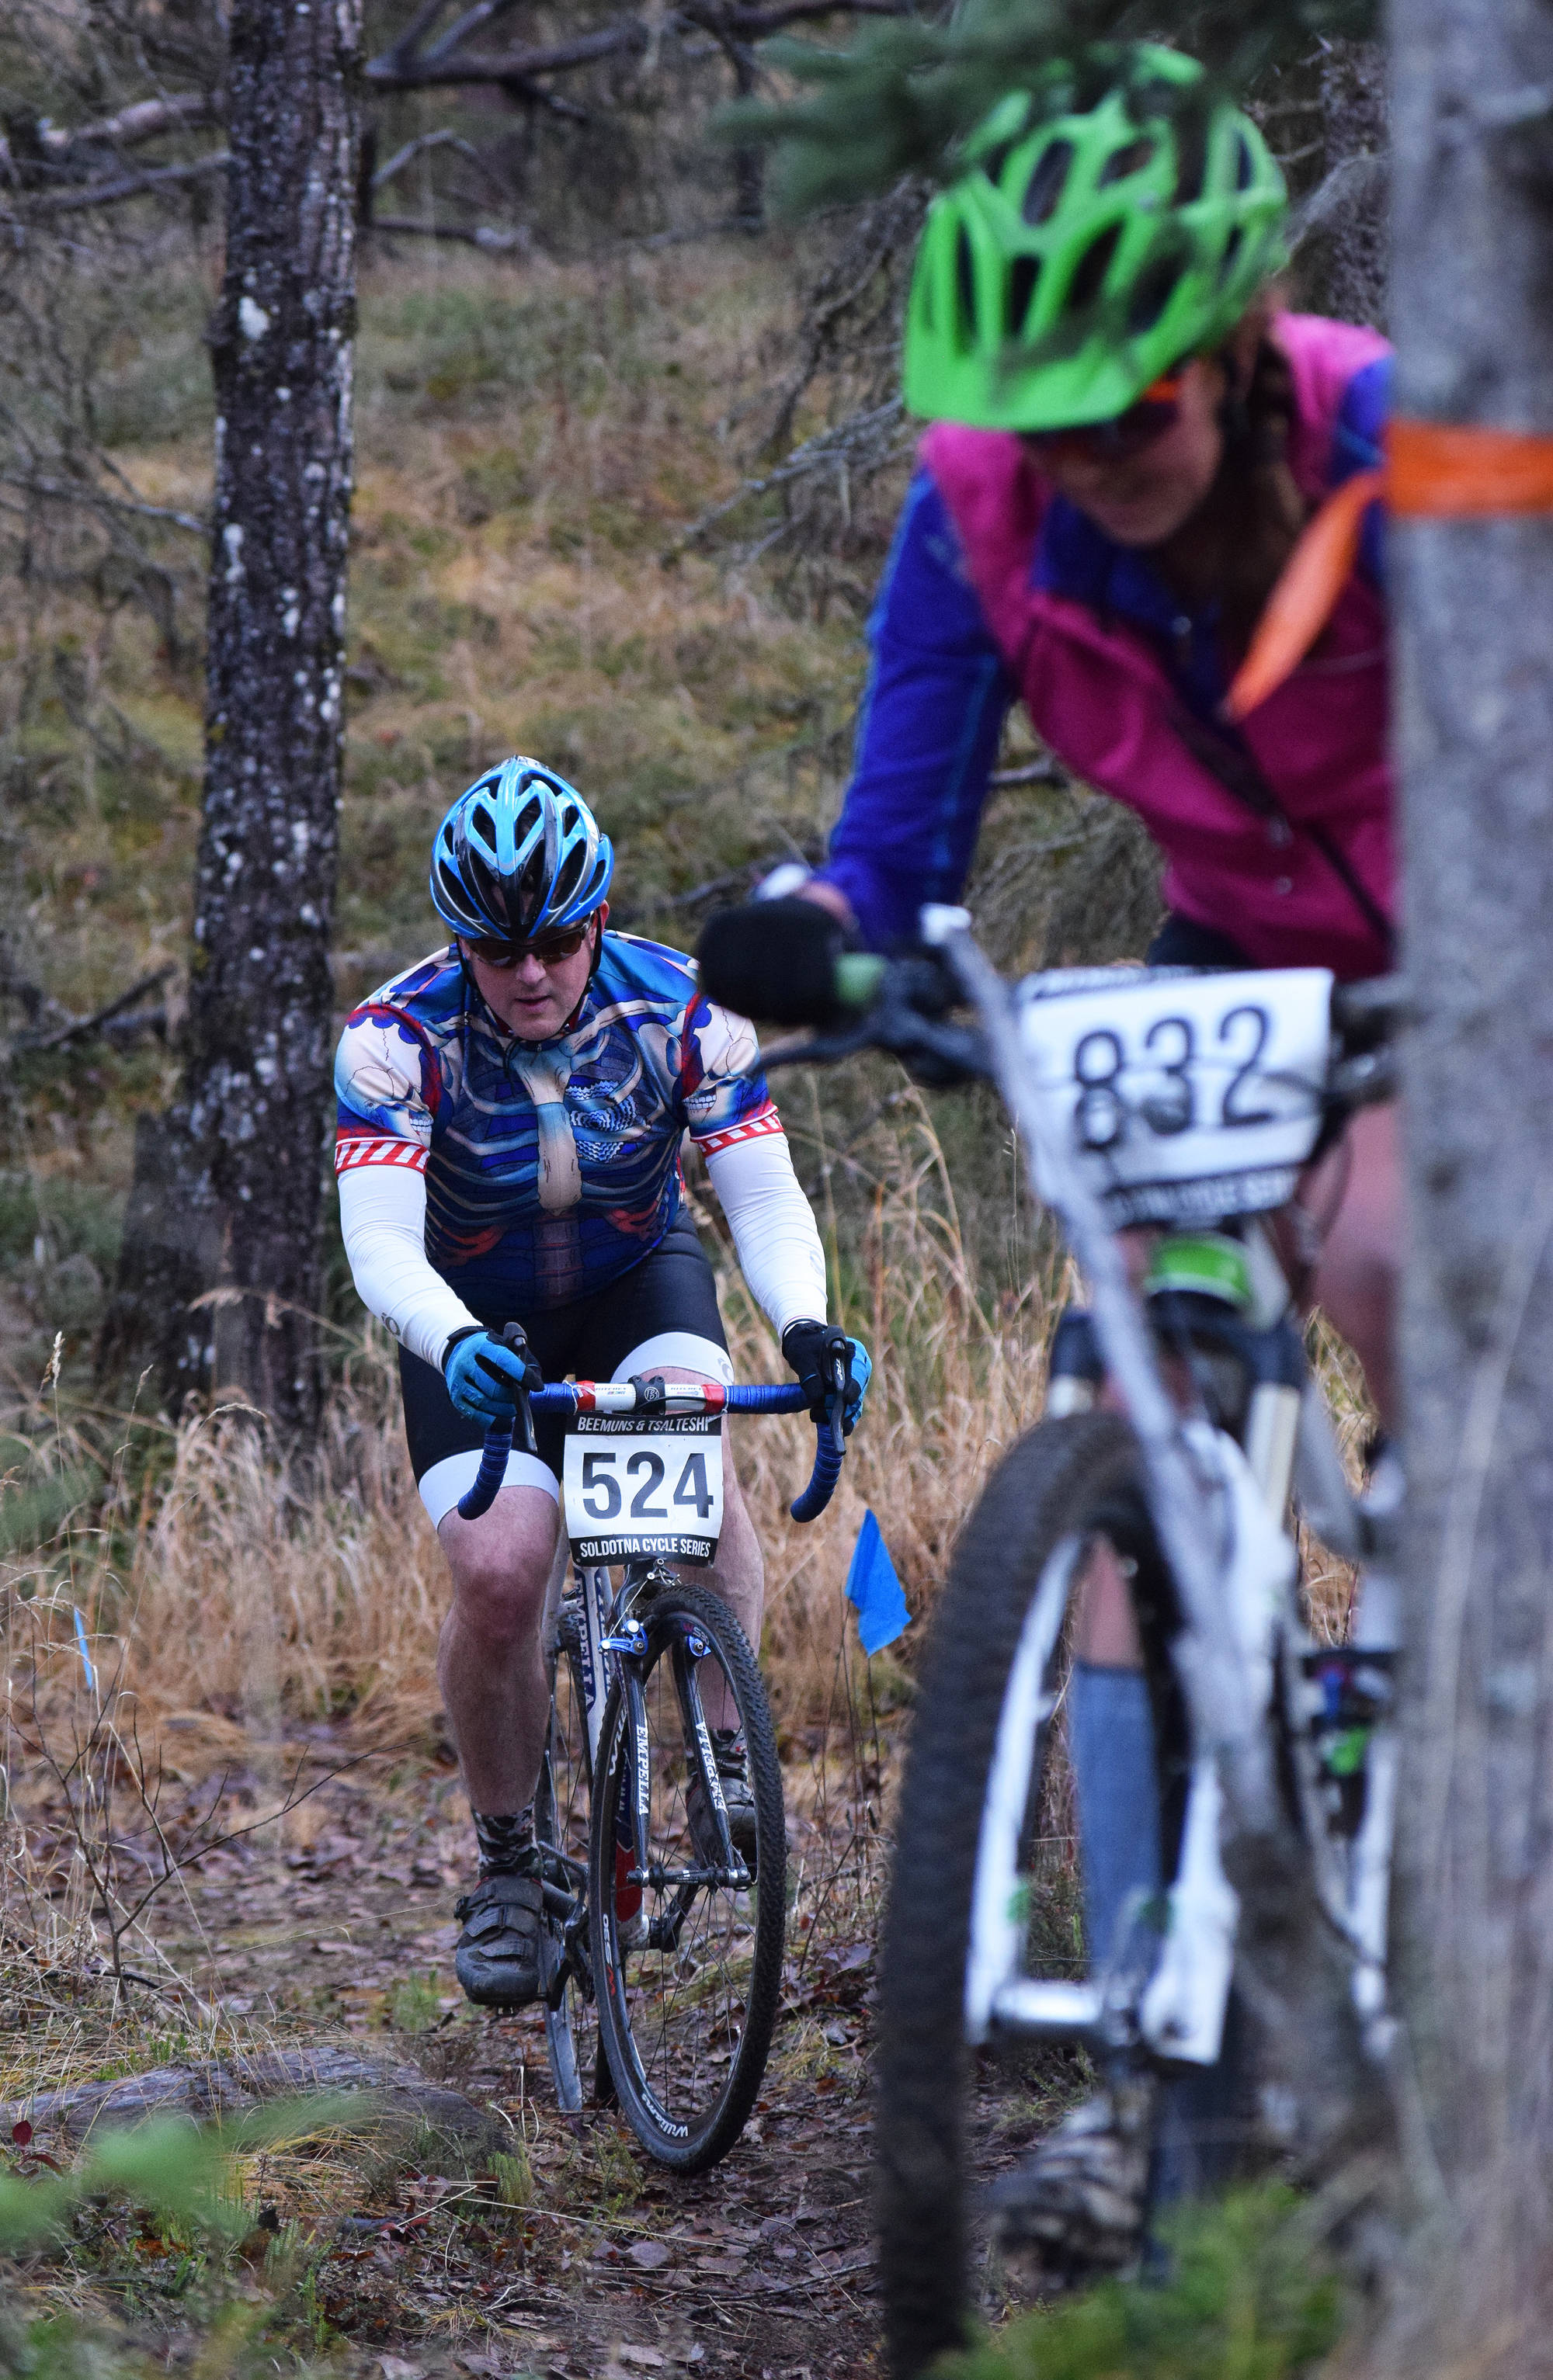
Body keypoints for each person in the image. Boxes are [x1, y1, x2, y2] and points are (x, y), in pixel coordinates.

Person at [703, 47, 1396, 2258]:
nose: (1091, 463)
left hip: (1464, 925)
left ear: (1232, 355)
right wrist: (818, 946)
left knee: (1382, 1244)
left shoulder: (1401, 434)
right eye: (1052, 414)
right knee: (1124, 1447)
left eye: (1137, 418)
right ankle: (1144, 2078)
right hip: (1239, 948)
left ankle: (1443, 1692)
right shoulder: (980, 500)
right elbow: (890, 852)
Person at [334, 755, 867, 2010]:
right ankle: (513, 1861)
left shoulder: (690, 1007)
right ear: (461, 940)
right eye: (498, 948)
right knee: (505, 1568)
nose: (531, 973)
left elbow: (762, 1193)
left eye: (558, 941)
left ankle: (725, 1761)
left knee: (694, 1467)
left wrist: (807, 1325)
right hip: (472, 1314)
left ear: (600, 916)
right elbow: (378, 1244)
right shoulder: (391, 1039)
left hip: (638, 1277)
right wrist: (453, 1338)